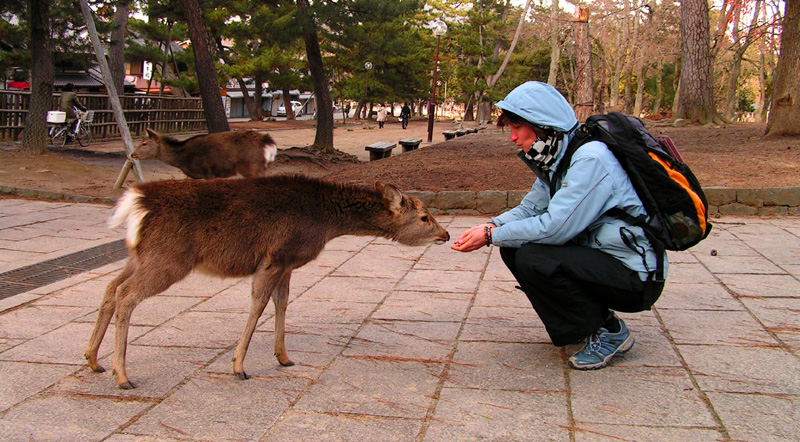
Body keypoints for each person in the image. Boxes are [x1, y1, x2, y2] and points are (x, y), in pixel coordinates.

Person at [451, 81, 666, 370]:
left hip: (635, 276)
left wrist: (491, 236)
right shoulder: (558, 157)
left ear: (543, 125)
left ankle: (609, 330)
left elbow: (555, 228)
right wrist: (491, 225)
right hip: (603, 259)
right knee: (514, 249)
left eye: (517, 128)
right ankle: (584, 325)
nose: (513, 138)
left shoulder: (590, 159)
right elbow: (530, 208)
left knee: (532, 255)